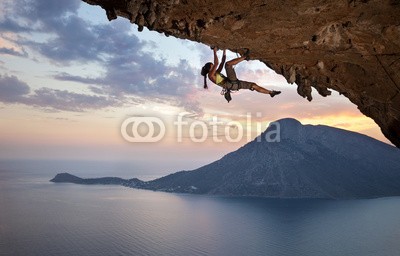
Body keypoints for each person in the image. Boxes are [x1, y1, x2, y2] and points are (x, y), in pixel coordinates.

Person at [201, 47, 281, 102]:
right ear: (209, 69)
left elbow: (221, 62)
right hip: (231, 83)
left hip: (234, 85)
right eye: (212, 66)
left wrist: (224, 50)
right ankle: (245, 56)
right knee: (228, 65)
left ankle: (270, 93)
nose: (214, 67)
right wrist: (214, 51)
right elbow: (217, 63)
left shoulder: (216, 73)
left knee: (253, 85)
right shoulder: (210, 76)